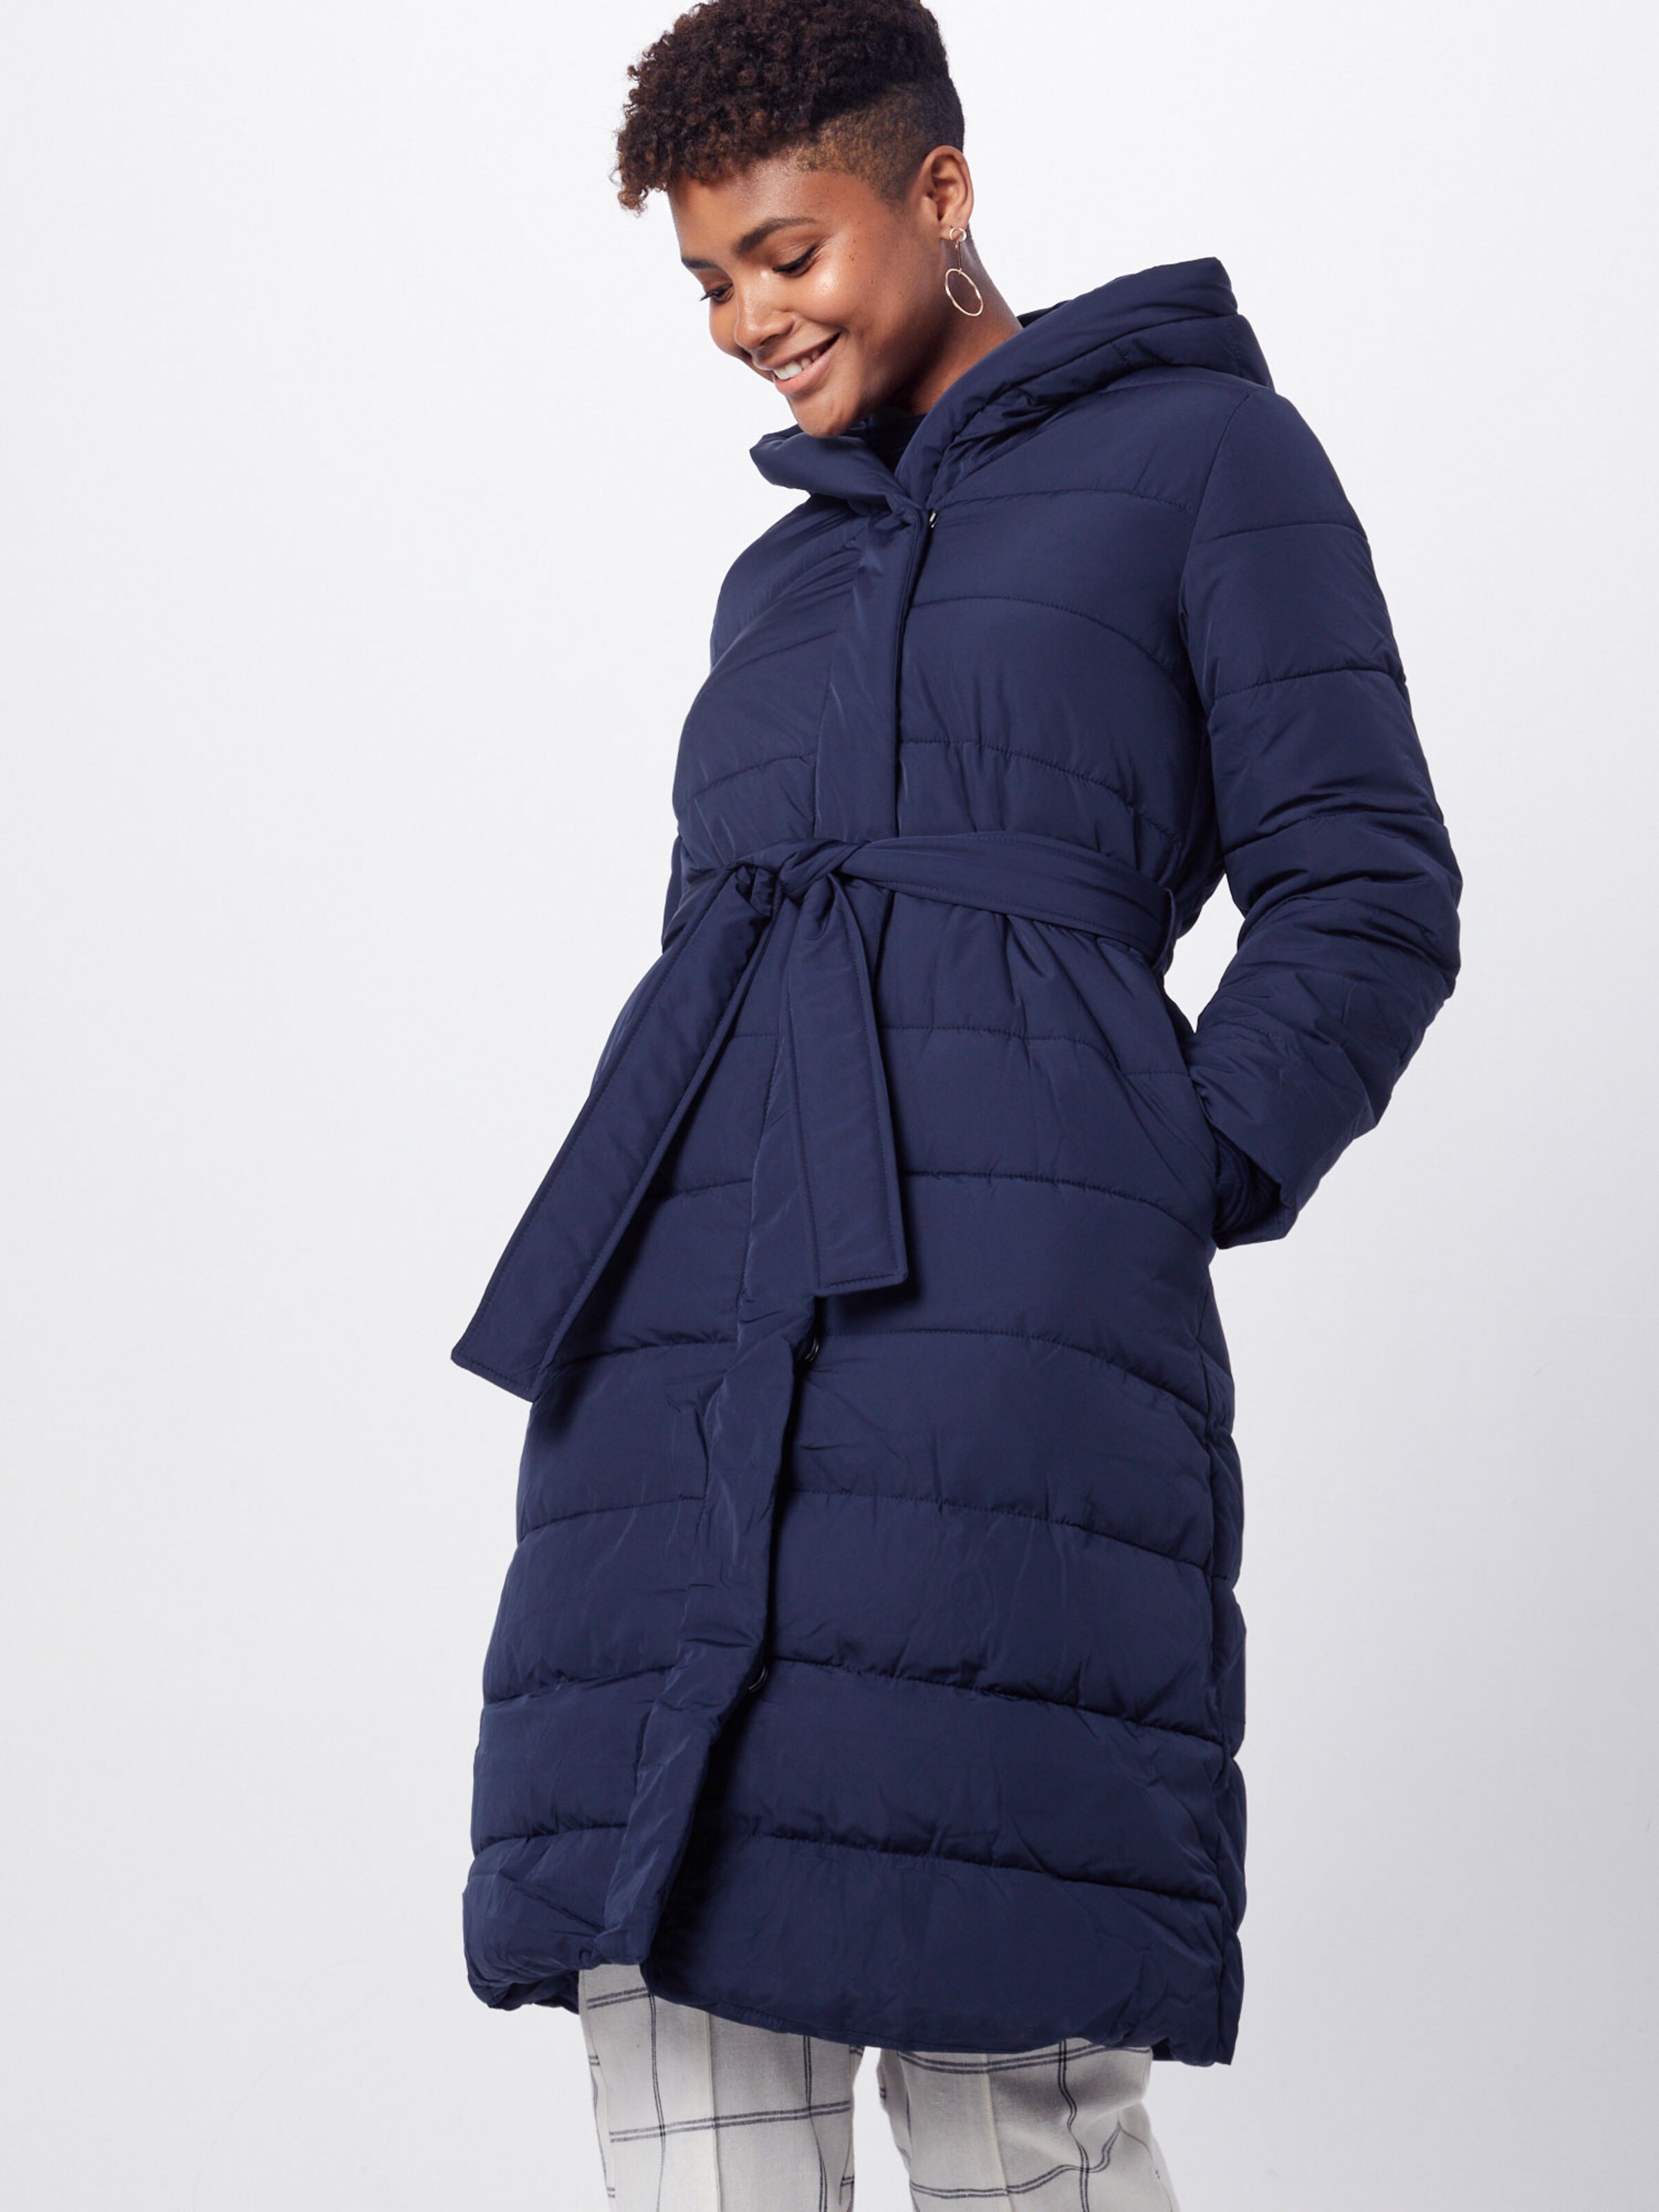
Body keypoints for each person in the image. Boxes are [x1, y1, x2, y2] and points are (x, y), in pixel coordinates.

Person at [448, 1, 1462, 2204]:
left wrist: (1150, 1172)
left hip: (1000, 1362)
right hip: (673, 1378)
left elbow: (1368, 888)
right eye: (708, 281)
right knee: (679, 2056)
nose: (748, 321)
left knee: (1016, 2067)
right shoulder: (782, 572)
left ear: (941, 190)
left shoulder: (1209, 458)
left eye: (785, 252)